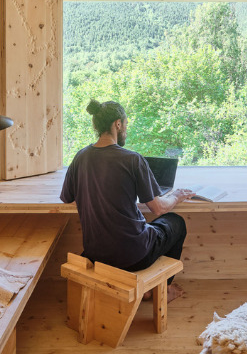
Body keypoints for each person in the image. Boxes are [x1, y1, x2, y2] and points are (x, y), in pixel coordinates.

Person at [60, 99, 193, 301]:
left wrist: (110, 202)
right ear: (118, 124)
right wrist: (176, 195)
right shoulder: (132, 159)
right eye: (126, 125)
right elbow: (158, 208)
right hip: (134, 256)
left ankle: (149, 288)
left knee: (146, 225)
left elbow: (68, 198)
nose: (126, 130)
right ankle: (161, 290)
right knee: (176, 222)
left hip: (96, 254)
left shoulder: (80, 157)